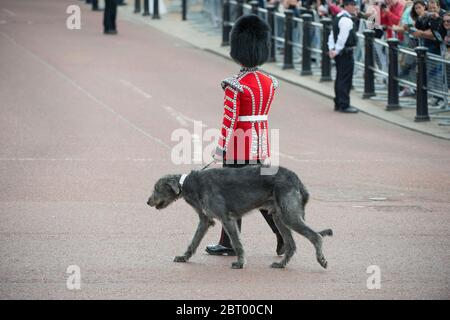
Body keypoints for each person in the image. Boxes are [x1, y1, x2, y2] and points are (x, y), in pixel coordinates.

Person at [205, 14, 285, 257]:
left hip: (239, 145)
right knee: (261, 194)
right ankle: (281, 233)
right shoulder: (270, 82)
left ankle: (230, 244)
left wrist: (219, 150)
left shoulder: (235, 84)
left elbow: (229, 121)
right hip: (261, 144)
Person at [328, 0, 359, 113]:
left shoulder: (338, 17)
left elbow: (331, 35)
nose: (354, 7)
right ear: (346, 6)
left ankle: (338, 102)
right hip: (345, 53)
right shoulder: (346, 19)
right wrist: (336, 50)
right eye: (352, 5)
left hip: (339, 53)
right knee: (345, 80)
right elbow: (342, 37)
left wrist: (332, 49)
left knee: (340, 78)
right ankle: (344, 104)